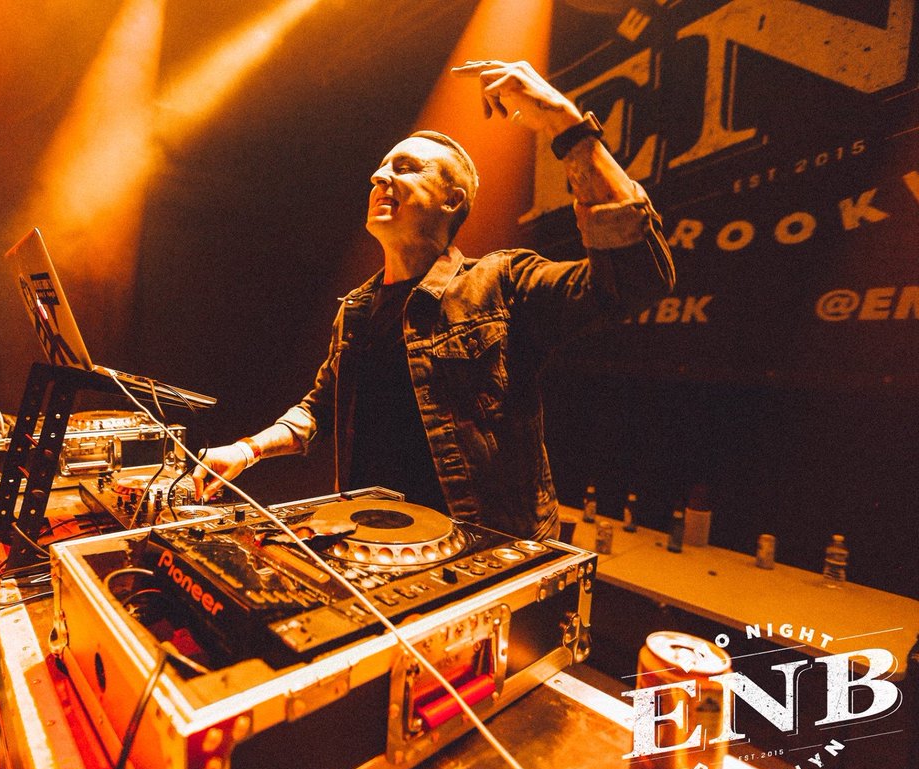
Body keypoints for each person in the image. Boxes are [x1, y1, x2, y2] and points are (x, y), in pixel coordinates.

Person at [192, 59, 674, 540]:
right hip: (371, 547)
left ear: (452, 200)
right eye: (381, 168)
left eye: (405, 168)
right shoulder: (356, 310)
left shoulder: (500, 281)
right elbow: (320, 409)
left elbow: (636, 279)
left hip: (483, 554)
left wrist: (566, 126)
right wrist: (247, 450)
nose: (379, 177)